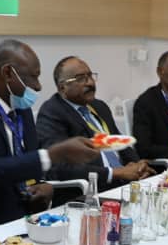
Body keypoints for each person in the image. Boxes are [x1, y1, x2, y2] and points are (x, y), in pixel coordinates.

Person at [0, 39, 102, 228]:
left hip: (25, 216)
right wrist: (53, 154)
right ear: (8, 73)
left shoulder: (20, 107)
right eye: (33, 77)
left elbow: (27, 159)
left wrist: (43, 185)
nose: (38, 86)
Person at [37, 55, 154, 191]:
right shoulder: (52, 112)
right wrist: (115, 173)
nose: (90, 83)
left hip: (124, 184)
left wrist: (138, 165)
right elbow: (59, 168)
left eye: (90, 76)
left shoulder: (99, 106)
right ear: (62, 87)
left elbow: (121, 143)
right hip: (92, 190)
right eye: (81, 78)